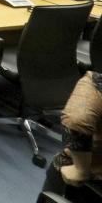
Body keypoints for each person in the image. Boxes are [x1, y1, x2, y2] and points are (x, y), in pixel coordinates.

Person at [40, 71, 102, 203]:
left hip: (94, 176)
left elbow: (77, 119)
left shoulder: (97, 82)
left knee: (63, 163)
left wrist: (81, 170)